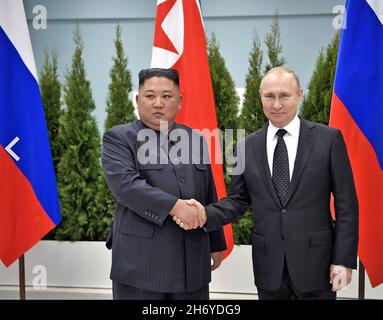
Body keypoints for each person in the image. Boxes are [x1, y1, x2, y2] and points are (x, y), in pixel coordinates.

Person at [173, 66, 359, 300]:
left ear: (299, 94)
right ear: (260, 96)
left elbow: (346, 205)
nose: (277, 104)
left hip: (318, 268)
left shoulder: (328, 139)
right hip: (269, 270)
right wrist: (203, 214)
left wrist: (343, 260)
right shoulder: (245, 147)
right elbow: (237, 201)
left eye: (284, 96)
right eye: (270, 96)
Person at [101, 68, 226, 300]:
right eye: (150, 96)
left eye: (167, 96)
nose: (158, 103)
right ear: (138, 100)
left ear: (180, 101)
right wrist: (175, 206)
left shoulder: (196, 139)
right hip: (141, 267)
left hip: (193, 266)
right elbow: (127, 186)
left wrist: (216, 241)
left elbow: (209, 191)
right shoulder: (118, 138)